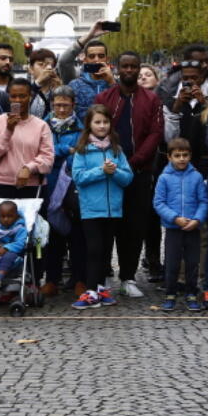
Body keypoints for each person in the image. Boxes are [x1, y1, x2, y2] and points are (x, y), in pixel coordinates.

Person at [94, 51, 162, 299]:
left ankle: (128, 276)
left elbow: (155, 133)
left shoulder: (152, 99)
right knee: (106, 225)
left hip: (138, 171)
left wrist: (133, 163)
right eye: (126, 66)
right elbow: (97, 129)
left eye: (134, 66)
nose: (130, 70)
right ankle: (101, 276)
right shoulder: (103, 97)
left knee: (134, 227)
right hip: (109, 170)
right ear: (118, 68)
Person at [70, 104, 133, 309]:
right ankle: (89, 289)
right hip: (91, 209)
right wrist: (101, 171)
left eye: (105, 122)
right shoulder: (82, 150)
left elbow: (128, 177)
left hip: (112, 209)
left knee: (106, 251)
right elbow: (78, 177)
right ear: (89, 124)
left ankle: (99, 289)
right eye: (97, 122)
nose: (102, 126)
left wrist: (114, 172)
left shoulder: (117, 149)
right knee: (94, 249)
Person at [152, 137, 208, 312]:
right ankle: (170, 293)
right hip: (173, 228)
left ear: (190, 156)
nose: (182, 159)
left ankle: (191, 292)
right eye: (177, 155)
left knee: (192, 262)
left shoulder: (197, 176)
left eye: (185, 155)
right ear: (169, 157)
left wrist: (197, 219)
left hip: (193, 227)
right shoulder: (164, 178)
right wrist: (174, 218)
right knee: (172, 262)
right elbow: (159, 202)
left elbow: (204, 201)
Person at [41, 87, 84, 297]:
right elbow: (43, 152)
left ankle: (78, 279)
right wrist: (66, 150)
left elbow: (81, 154)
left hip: (71, 188)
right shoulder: (43, 125)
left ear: (73, 105)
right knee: (52, 236)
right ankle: (52, 279)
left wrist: (59, 155)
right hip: (48, 186)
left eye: (65, 105)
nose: (61, 109)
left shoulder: (81, 127)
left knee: (77, 236)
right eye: (57, 105)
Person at [0, 77, 55, 199]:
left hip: (32, 186)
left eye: (22, 96)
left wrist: (29, 168)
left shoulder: (41, 125)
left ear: (30, 96)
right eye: (13, 96)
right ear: (8, 97)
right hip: (1, 185)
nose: (18, 100)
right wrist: (8, 130)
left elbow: (48, 158)